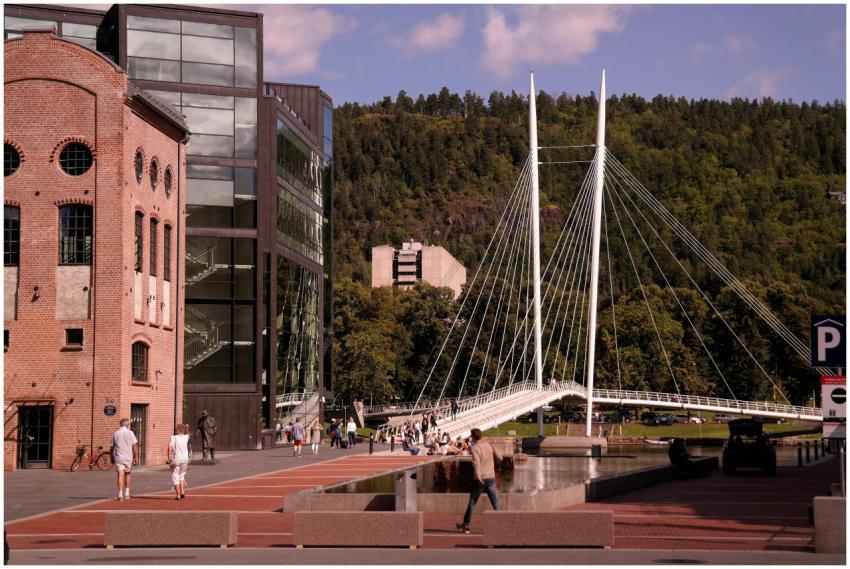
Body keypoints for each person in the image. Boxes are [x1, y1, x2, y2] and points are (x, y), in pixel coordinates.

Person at [458, 428, 502, 534]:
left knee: (472, 503)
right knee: (495, 502)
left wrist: (478, 476)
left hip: (480, 479)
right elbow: (500, 458)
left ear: (473, 437)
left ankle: (466, 526)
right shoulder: (489, 445)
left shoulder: (474, 448)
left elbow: (477, 464)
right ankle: (502, 522)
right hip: (491, 478)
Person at [109, 418, 139, 501]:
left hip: (119, 457)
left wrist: (111, 457)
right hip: (128, 457)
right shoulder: (130, 433)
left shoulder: (116, 433)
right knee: (128, 473)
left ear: (120, 424)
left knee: (120, 474)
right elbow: (134, 446)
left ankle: (120, 494)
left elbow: (111, 447)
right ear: (127, 425)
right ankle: (127, 493)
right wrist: (136, 457)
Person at [168, 424, 190, 500]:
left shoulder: (173, 438)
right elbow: (187, 433)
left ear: (176, 430)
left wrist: (169, 458)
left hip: (176, 459)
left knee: (175, 476)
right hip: (185, 459)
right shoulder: (185, 437)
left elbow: (169, 448)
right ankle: (183, 491)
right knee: (182, 475)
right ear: (183, 430)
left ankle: (178, 495)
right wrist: (187, 428)